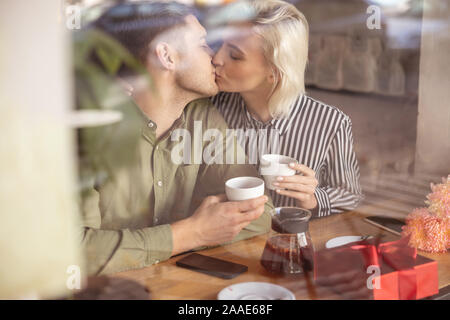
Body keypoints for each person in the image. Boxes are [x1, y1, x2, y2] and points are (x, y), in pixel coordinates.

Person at [79, 1, 272, 275]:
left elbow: (260, 211)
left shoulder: (203, 119)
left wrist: (197, 230)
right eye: (204, 44)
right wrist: (190, 233)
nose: (215, 57)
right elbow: (76, 251)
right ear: (168, 56)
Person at [211, 0, 363, 218]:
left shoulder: (332, 123)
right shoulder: (212, 109)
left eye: (234, 55)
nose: (216, 59)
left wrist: (313, 198)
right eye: (220, 45)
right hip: (224, 246)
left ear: (274, 72)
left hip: (290, 244)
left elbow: (351, 197)